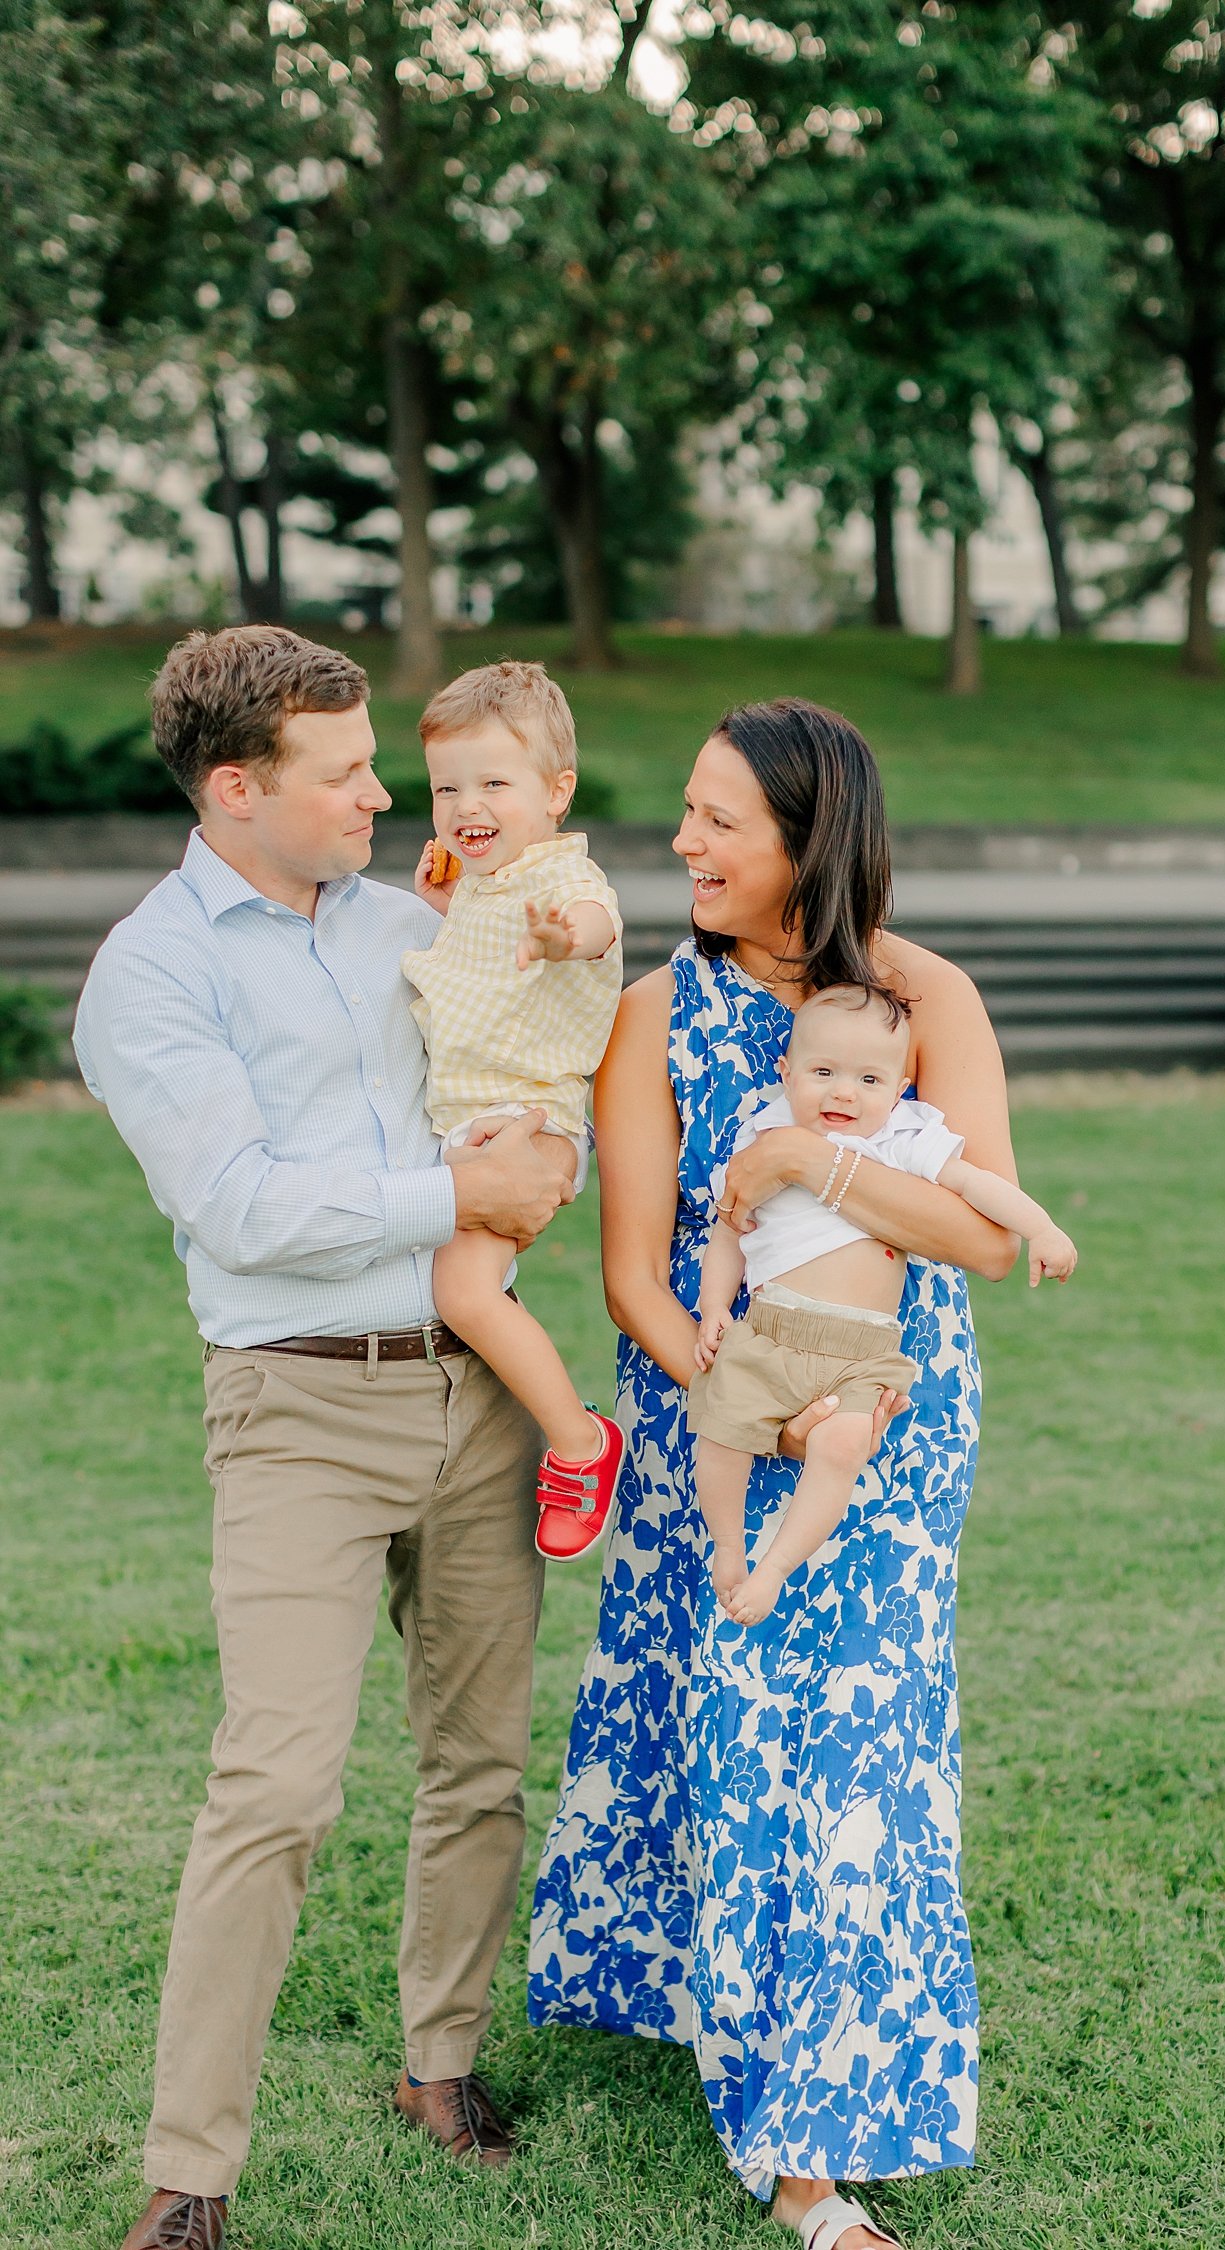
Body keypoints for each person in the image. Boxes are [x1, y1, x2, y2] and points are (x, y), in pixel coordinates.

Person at [73, 626, 574, 2250]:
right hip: (296, 1406)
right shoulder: (150, 976)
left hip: (480, 1388)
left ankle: (440, 2065)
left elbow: (554, 985)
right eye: (345, 772)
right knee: (274, 1786)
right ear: (238, 789)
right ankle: (189, 2177)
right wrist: (458, 1197)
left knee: (479, 1761)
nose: (382, 792)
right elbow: (235, 1203)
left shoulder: (415, 914)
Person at [530, 698, 1024, 2250]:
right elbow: (633, 1270)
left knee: (859, 1761)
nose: (682, 842)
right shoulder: (646, 1011)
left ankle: (813, 2154)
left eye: (718, 820)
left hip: (890, 1432)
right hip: (714, 1428)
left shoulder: (926, 995)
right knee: (732, 1734)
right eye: (686, 814)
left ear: (811, 841)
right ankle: (726, 2026)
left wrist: (813, 1161)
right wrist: (745, 1394)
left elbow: (990, 1233)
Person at [691, 982, 1077, 1623]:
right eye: (823, 1072)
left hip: (862, 1348)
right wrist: (711, 1311)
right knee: (722, 1435)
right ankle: (728, 1548)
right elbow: (728, 1230)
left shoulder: (901, 1137)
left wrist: (1042, 1228)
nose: (844, 1092)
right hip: (771, 1327)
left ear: (898, 1089)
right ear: (786, 1072)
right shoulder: (763, 1133)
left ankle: (774, 1569)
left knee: (841, 1449)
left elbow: (976, 1184)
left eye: (869, 1079)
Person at [402, 661, 626, 1561]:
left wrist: (562, 936)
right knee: (454, 1287)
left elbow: (596, 924)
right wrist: (448, 908)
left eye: (494, 782)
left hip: (526, 1120)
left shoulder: (562, 880)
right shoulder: (487, 887)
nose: (465, 805)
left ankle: (579, 1441)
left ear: (556, 790)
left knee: (460, 1291)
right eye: (447, 786)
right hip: (475, 1117)